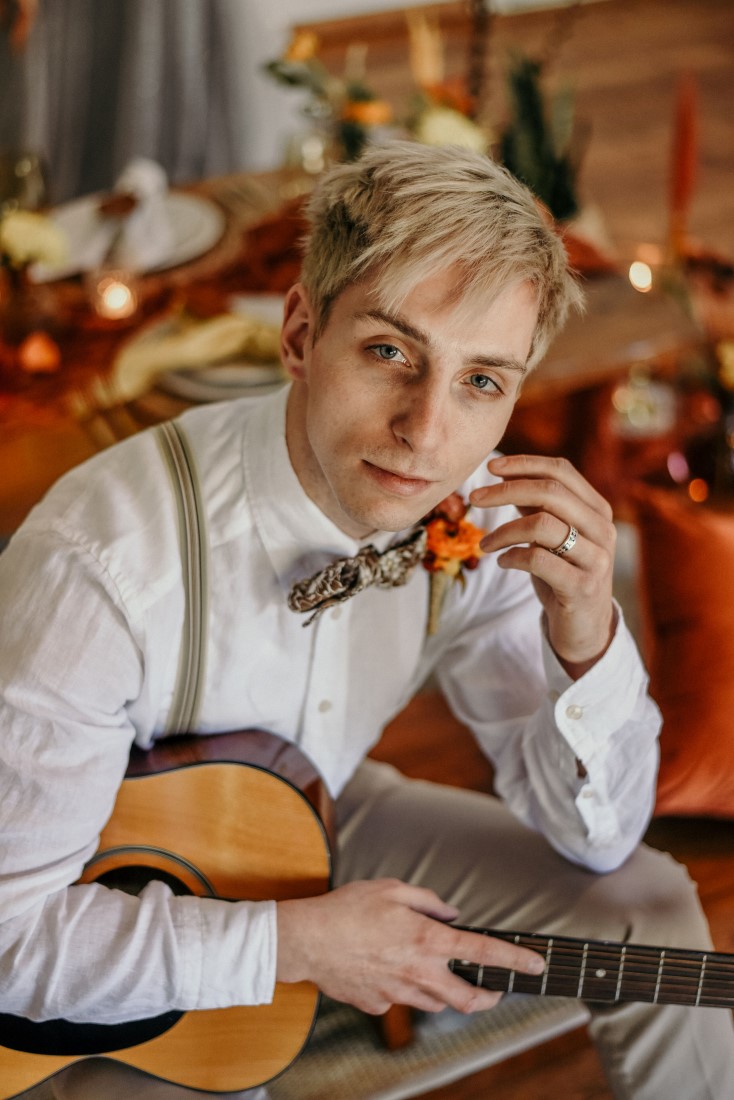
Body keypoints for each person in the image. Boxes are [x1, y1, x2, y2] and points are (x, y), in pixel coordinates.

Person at [1, 141, 733, 1100]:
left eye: (482, 382)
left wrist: (586, 639)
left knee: (651, 909)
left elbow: (592, 841)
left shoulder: (478, 519)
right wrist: (296, 946)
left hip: (311, 804)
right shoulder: (98, 565)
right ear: (301, 334)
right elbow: (12, 943)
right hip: (79, 934)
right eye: (391, 352)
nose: (428, 434)